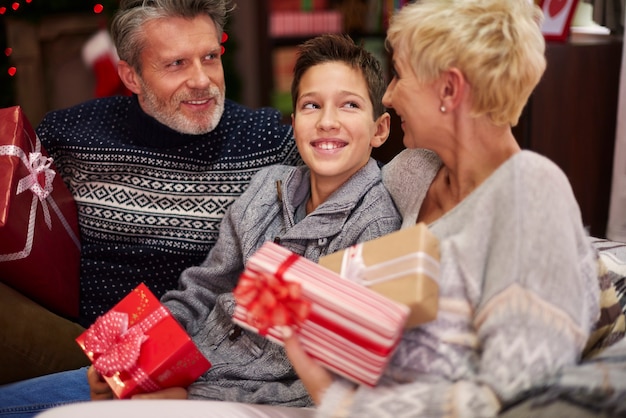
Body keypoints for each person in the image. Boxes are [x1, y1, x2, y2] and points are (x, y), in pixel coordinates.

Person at [0, 33, 401, 417]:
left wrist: (188, 396)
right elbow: (203, 288)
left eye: (349, 105)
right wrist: (131, 356)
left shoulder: (375, 224)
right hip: (186, 367)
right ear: (294, 122)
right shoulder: (269, 184)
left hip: (238, 396)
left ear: (380, 129)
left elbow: (326, 380)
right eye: (313, 106)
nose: (328, 121)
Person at [278, 1, 604, 417]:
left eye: (399, 74)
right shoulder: (411, 172)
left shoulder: (531, 189)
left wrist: (341, 402)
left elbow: (519, 394)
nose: (390, 96)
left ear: (449, 90)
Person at [0, 0, 302, 384]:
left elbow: (351, 184)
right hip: (83, 344)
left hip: (193, 358)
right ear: (131, 76)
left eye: (210, 57)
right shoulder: (71, 134)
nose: (201, 80)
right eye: (176, 64)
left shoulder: (267, 142)